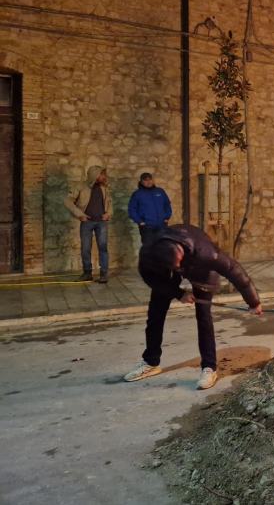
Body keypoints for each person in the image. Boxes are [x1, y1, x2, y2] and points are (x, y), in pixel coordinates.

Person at [123, 224, 263, 390]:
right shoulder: (149, 253)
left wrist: (253, 302)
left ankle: (209, 367)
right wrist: (178, 293)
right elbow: (150, 277)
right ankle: (151, 361)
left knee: (203, 316)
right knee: (155, 314)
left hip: (200, 270)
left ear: (180, 251)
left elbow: (233, 270)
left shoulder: (206, 252)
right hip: (165, 272)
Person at [64, 165, 111, 283]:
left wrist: (108, 214)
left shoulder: (104, 188)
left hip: (101, 222)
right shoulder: (81, 187)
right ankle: (87, 273)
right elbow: (68, 201)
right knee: (85, 248)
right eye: (102, 174)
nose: (104, 177)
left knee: (103, 247)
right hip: (87, 222)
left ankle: (104, 274)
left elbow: (110, 203)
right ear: (95, 175)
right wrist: (80, 214)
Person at [127, 172, 172, 246]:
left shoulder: (160, 191)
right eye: (145, 180)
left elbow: (167, 204)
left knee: (162, 247)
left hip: (162, 225)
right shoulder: (137, 194)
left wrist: (167, 217)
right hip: (147, 227)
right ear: (141, 182)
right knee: (148, 249)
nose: (148, 182)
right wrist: (140, 221)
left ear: (152, 180)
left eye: (150, 179)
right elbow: (132, 210)